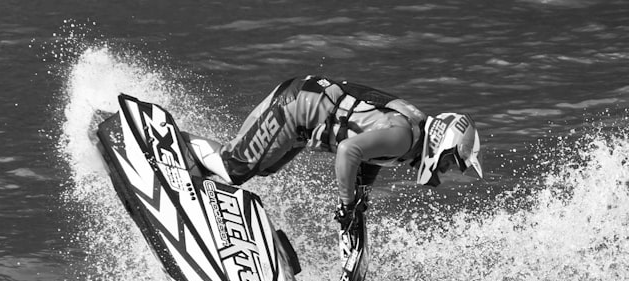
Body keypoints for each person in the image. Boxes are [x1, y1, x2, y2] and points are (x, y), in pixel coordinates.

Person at [188, 75, 483, 229]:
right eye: (448, 163)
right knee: (235, 168)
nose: (444, 171)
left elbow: (369, 156)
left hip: (302, 113)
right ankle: (173, 139)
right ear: (441, 144)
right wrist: (346, 204)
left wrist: (360, 201)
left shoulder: (410, 135)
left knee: (262, 168)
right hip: (295, 107)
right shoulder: (404, 137)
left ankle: (195, 178)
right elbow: (348, 151)